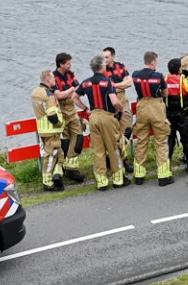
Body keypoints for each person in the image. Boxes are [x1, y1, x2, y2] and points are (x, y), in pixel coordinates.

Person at [79, 56, 127, 188]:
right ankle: (118, 179)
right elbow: (114, 101)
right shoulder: (107, 82)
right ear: (102, 67)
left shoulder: (85, 82)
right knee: (113, 147)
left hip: (93, 117)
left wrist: (85, 108)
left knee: (98, 150)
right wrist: (121, 110)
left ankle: (101, 181)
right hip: (107, 116)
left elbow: (74, 97)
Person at [129, 51, 173, 186]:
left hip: (141, 107)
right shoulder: (158, 76)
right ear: (153, 62)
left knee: (142, 141)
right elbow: (166, 93)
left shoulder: (135, 75)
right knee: (161, 141)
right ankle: (163, 175)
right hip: (156, 107)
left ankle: (139, 175)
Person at [30, 69, 68, 190]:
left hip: (42, 129)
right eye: (53, 78)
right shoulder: (49, 95)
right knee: (52, 155)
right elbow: (52, 115)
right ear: (48, 80)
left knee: (60, 154)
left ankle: (58, 174)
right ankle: (47, 182)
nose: (54, 80)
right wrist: (60, 123)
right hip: (52, 130)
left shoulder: (35, 92)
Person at [165, 57, 188, 174]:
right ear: (180, 69)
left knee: (169, 140)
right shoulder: (183, 82)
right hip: (183, 115)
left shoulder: (165, 79)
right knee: (186, 140)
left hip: (168, 115)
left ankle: (166, 166)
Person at [51, 52, 86, 172]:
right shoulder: (53, 77)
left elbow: (78, 89)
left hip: (72, 109)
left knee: (78, 137)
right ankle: (61, 167)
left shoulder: (70, 74)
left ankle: (70, 164)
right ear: (61, 64)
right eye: (68, 63)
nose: (70, 65)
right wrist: (70, 89)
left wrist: (69, 92)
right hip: (60, 111)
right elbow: (58, 95)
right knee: (65, 141)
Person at [101, 47, 133, 141]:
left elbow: (129, 83)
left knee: (126, 128)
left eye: (107, 57)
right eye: (103, 57)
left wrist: (113, 85)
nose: (105, 60)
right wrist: (120, 86)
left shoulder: (120, 66)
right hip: (108, 101)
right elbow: (102, 87)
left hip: (122, 98)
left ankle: (122, 151)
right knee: (111, 130)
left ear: (113, 56)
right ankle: (112, 152)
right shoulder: (101, 69)